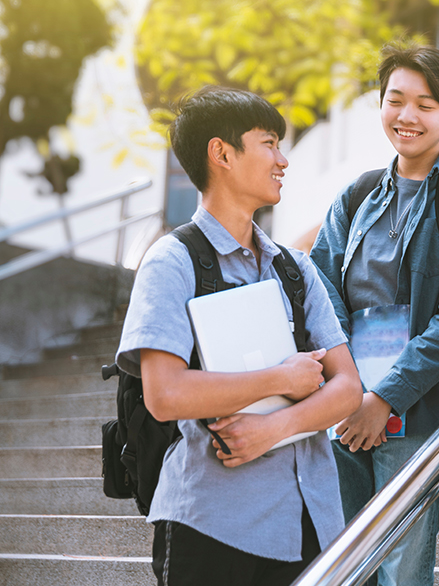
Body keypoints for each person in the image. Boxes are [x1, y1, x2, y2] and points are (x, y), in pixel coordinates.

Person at [115, 86, 363, 586]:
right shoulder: (172, 261)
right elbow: (164, 394)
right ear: (222, 153)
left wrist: (273, 427)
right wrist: (282, 376)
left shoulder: (294, 268)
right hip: (211, 525)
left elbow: (349, 389)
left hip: (311, 523)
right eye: (269, 143)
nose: (283, 160)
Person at [310, 45, 439, 586]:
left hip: (420, 403)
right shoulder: (356, 195)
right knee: (346, 551)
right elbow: (318, 285)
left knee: (400, 557)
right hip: (346, 395)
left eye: (426, 104)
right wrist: (347, 381)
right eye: (395, 100)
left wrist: (386, 396)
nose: (407, 116)